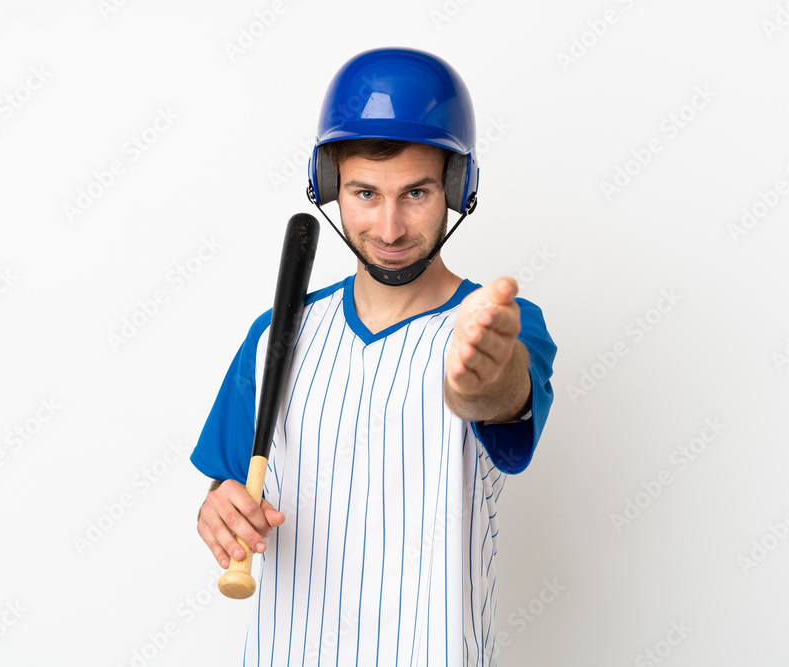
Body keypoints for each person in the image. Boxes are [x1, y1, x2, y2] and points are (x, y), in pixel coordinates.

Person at [192, 47, 556, 665]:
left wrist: (479, 381)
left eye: (415, 192)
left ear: (456, 188)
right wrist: (219, 510)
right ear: (333, 188)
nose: (389, 229)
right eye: (365, 192)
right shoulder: (276, 332)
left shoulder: (496, 329)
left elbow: (498, 395)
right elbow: (226, 489)